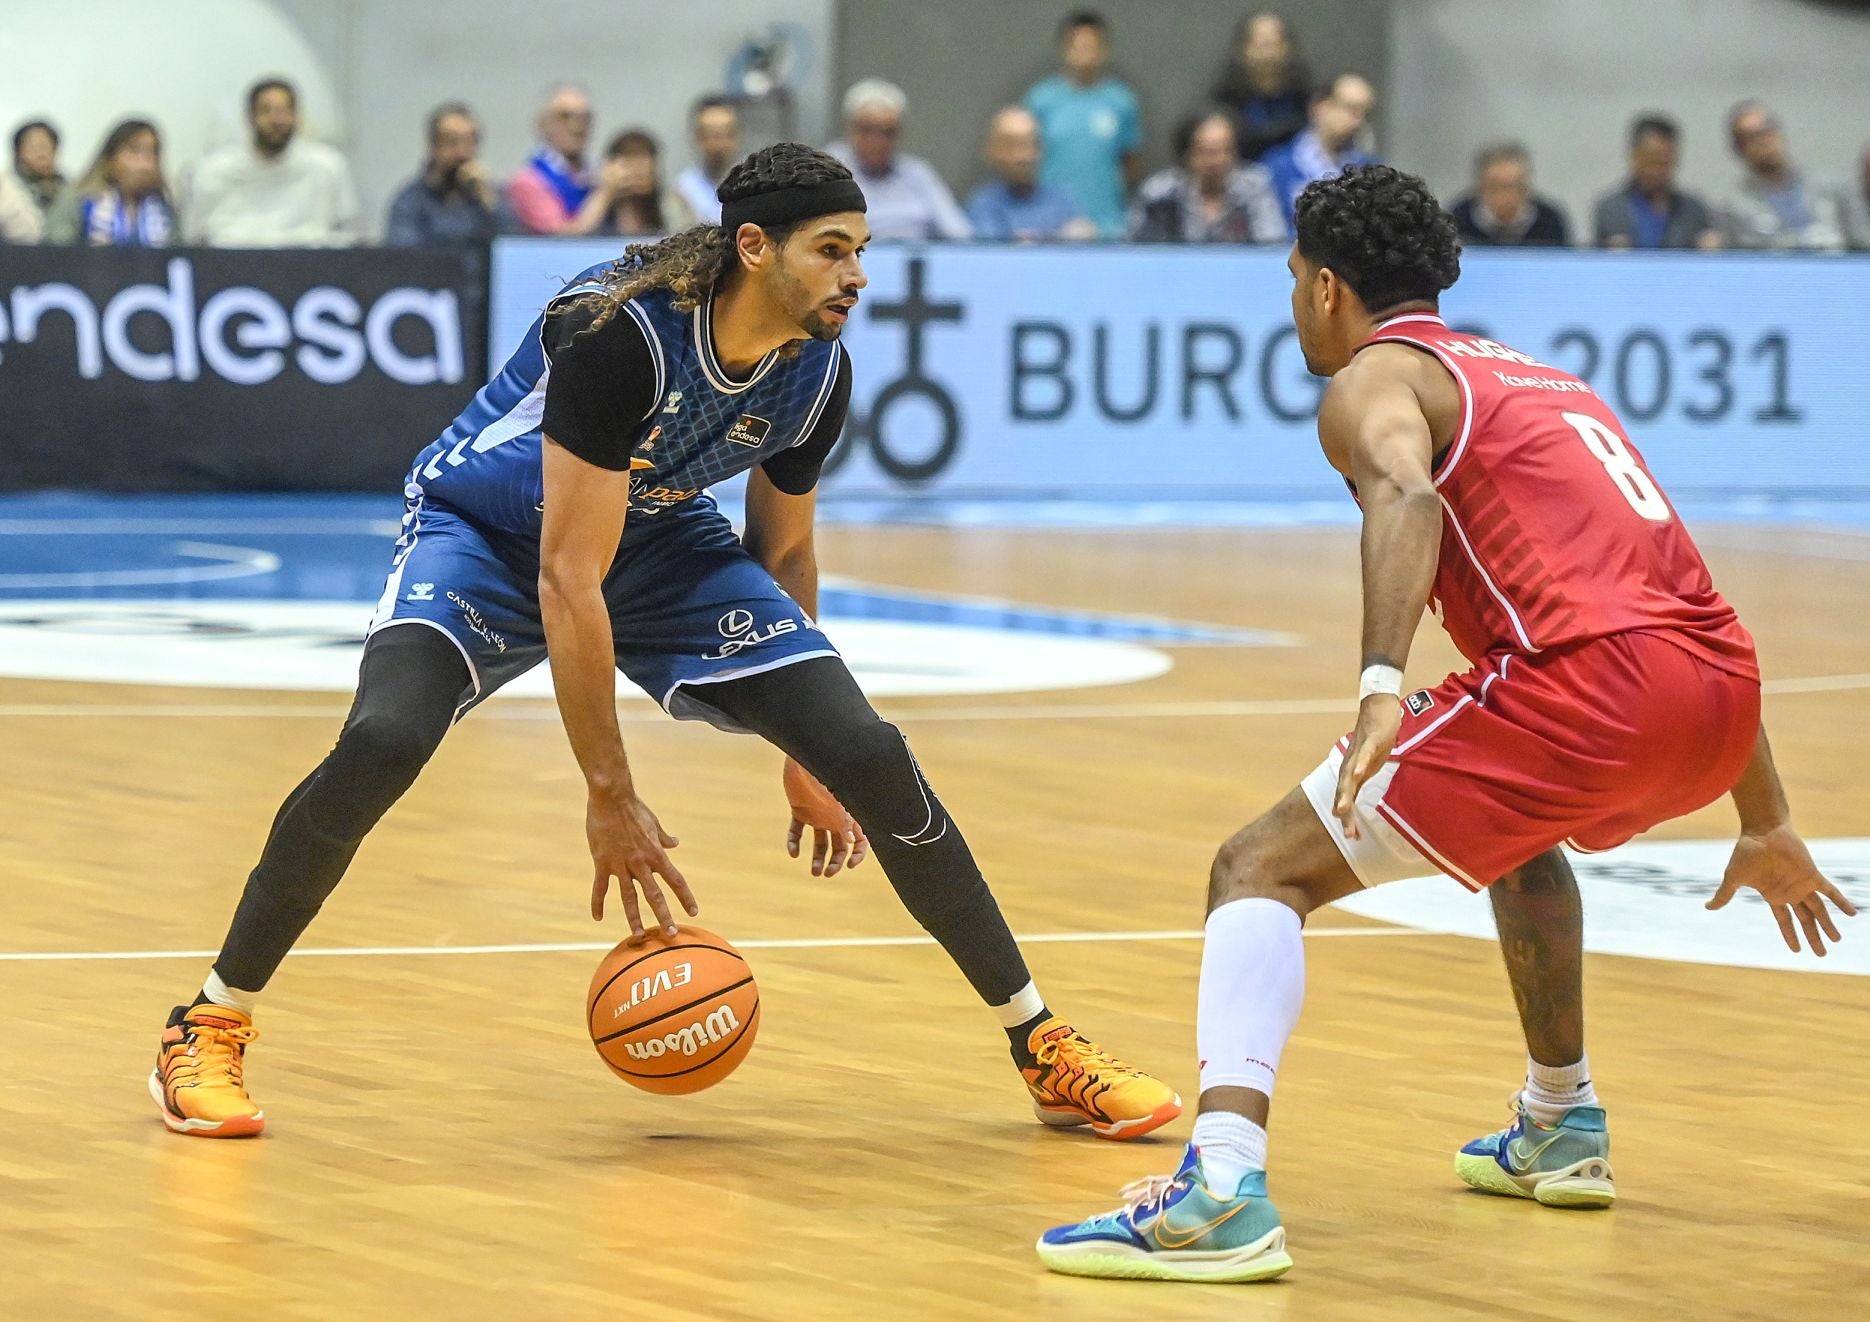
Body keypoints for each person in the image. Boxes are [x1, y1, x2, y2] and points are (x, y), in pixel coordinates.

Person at [149, 142, 1178, 1149]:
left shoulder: (815, 372)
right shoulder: (618, 334)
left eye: (862, 249)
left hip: (656, 530)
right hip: (491, 532)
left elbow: (785, 551)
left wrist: (807, 755)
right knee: (382, 739)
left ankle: (1042, 1043)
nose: (858, 274)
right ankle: (208, 1020)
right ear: (755, 248)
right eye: (833, 248)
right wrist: (609, 792)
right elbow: (566, 578)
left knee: (869, 751)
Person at [1037, 164, 1855, 1283]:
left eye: (1291, 280)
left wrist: (1383, 679)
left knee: (1257, 867)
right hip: (1718, 687)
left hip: (1587, 689)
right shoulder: (1548, 380)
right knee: (1520, 843)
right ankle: (1559, 1123)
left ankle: (1218, 1188)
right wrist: (1765, 816)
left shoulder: (1376, 377)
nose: (1292, 304)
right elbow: (1673, 601)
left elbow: (1407, 496)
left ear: (1328, 287)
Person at [181, 77, 356, 246]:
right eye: (266, 111)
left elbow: (345, 231)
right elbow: (196, 237)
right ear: (250, 117)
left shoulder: (327, 166)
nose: (276, 120)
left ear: (296, 117)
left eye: (284, 111)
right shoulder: (215, 170)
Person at [1022, 11, 1142, 239]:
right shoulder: (1040, 100)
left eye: (1092, 46)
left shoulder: (1122, 101)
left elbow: (1129, 162)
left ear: (1104, 49)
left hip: (1107, 225)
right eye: (1077, 45)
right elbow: (1028, 160)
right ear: (1064, 48)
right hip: (1051, 227)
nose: (1084, 54)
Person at [1721, 101, 1870, 251]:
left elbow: (1868, 243)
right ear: (1738, 148)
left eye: (1767, 130)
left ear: (1780, 132)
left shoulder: (1832, 187)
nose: (1763, 141)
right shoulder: (1734, 207)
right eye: (1752, 136)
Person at [825, 79, 970, 240]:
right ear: (849, 129)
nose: (877, 141)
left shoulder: (917, 173)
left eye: (888, 132)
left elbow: (960, 234)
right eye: (867, 130)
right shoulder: (828, 170)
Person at [1128, 110, 1285, 244]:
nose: (1217, 160)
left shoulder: (1255, 187)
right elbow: (1133, 246)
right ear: (1187, 153)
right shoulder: (1160, 194)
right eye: (1207, 152)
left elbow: (1271, 243)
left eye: (1225, 151)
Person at [504, 85, 628, 236]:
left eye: (585, 118)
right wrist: (605, 193)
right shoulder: (528, 181)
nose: (576, 126)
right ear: (542, 124)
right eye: (564, 117)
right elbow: (563, 242)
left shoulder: (594, 175)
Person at [1592, 115, 1720, 250]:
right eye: (1652, 161)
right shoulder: (1611, 209)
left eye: (1666, 163)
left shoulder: (1692, 210)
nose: (1659, 171)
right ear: (1634, 156)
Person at [965, 106, 1090, 242]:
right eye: (1010, 145)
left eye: (1029, 144)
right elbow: (992, 255)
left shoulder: (1061, 200)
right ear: (993, 151)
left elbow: (1080, 240)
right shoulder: (983, 206)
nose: (1021, 156)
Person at [386, 102, 501, 248]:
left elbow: (513, 247)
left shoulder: (487, 197)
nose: (462, 152)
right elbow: (405, 257)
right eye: (452, 142)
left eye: (470, 142)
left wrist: (489, 201)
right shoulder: (409, 202)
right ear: (434, 146)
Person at [1262, 74, 1376, 219]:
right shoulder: (1277, 166)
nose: (1358, 122)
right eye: (1351, 110)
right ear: (1321, 107)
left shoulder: (1370, 169)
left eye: (1365, 113)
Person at [47, 118, 174, 247]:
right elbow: (57, 254)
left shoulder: (165, 205)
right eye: (135, 152)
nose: (145, 165)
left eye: (152, 153)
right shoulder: (77, 198)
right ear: (110, 158)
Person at [1210, 11, 1312, 163]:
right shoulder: (1224, 100)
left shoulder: (1306, 98)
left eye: (1274, 43)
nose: (1267, 53)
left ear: (1288, 48)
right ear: (1243, 50)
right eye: (1260, 44)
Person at [1449, 142, 1570, 247]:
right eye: (1495, 187)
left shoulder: (1549, 221)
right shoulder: (1458, 219)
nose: (1504, 196)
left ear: (1526, 188)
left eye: (1513, 186)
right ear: (1480, 188)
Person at [600, 128, 693, 236]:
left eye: (643, 158)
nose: (636, 168)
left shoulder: (671, 202)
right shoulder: (595, 200)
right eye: (629, 158)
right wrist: (606, 193)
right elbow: (577, 237)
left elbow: (688, 238)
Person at [674, 96, 741, 226]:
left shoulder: (752, 183)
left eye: (726, 133)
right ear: (697, 137)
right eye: (712, 135)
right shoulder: (683, 189)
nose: (719, 144)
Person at [13, 119, 64, 215]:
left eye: (45, 147)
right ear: (18, 153)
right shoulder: (8, 189)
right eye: (34, 148)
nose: (41, 155)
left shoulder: (67, 190)